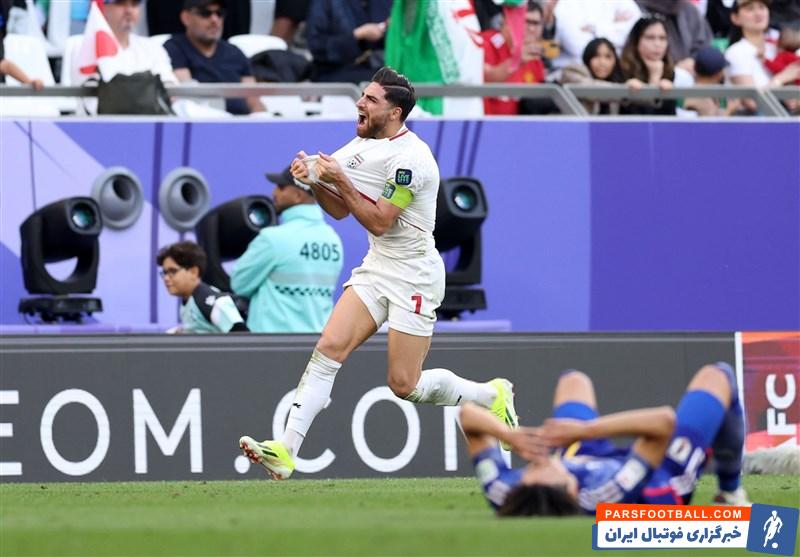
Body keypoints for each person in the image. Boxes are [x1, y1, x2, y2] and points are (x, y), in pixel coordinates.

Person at [239, 66, 519, 480]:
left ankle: (489, 394)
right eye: (363, 95)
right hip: (377, 266)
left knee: (405, 385)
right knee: (328, 348)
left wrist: (338, 178)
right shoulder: (361, 144)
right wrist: (314, 183)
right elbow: (340, 209)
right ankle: (285, 450)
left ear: (394, 112)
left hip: (414, 275)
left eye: (371, 99)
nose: (360, 103)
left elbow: (380, 221)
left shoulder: (411, 161)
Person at [462, 362, 750, 516]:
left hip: (587, 459)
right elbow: (662, 424)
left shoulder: (504, 492)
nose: (539, 459)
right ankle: (730, 494)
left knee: (573, 381)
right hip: (657, 476)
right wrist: (586, 430)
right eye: (545, 466)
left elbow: (468, 416)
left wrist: (508, 434)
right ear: (571, 490)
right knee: (718, 375)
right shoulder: (609, 493)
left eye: (530, 468)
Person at [230, 168, 344, 333]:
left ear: (298, 195)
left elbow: (238, 283)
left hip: (273, 344)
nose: (274, 192)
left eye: (281, 187)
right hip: (318, 341)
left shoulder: (272, 239)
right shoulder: (333, 240)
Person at [74, 0, 177, 114]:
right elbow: (89, 99)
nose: (129, 10)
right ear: (101, 7)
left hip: (148, 121)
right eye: (120, 3)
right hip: (98, 122)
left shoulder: (153, 47)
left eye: (134, 4)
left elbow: (170, 90)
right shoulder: (83, 46)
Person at [163, 0, 266, 115]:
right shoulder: (174, 47)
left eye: (219, 13)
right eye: (205, 13)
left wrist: (262, 118)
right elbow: (188, 93)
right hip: (203, 120)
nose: (214, 19)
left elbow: (253, 99)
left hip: (243, 121)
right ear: (186, 17)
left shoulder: (235, 52)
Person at [156, 241, 249, 334]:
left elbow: (242, 336)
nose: (166, 278)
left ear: (193, 272)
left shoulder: (209, 301)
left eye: (172, 271)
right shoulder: (188, 301)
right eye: (165, 273)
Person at [725, 0, 800, 112]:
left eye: (762, 7)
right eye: (750, 9)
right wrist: (781, 78)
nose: (758, 13)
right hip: (754, 120)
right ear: (735, 18)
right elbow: (753, 102)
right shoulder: (736, 52)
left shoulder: (779, 47)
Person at [484, 1, 551, 115]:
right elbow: (482, 80)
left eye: (536, 23)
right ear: (506, 21)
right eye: (526, 21)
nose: (532, 29)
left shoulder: (534, 58)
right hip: (483, 122)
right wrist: (516, 61)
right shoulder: (485, 44)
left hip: (520, 123)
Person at [304, 0, 391, 83]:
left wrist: (390, 28)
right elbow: (317, 46)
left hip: (375, 66)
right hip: (333, 71)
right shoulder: (325, 3)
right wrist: (358, 34)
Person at [620, 16, 677, 115]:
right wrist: (654, 78)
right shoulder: (621, 69)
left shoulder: (668, 70)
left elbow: (668, 118)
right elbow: (640, 117)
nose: (657, 44)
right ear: (636, 40)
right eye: (650, 37)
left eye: (662, 38)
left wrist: (656, 76)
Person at [636, 0, 714, 71]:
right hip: (642, 71)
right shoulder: (634, 8)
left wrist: (692, 60)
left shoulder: (688, 9)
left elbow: (703, 44)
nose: (657, 44)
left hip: (687, 73)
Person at [560, 37, 625, 115]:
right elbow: (589, 86)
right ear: (588, 58)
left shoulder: (618, 79)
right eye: (596, 56)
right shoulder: (574, 71)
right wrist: (624, 88)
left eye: (608, 57)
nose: (602, 62)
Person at [684, 46, 742, 116]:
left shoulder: (703, 93)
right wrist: (729, 111)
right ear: (718, 74)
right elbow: (708, 123)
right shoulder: (697, 98)